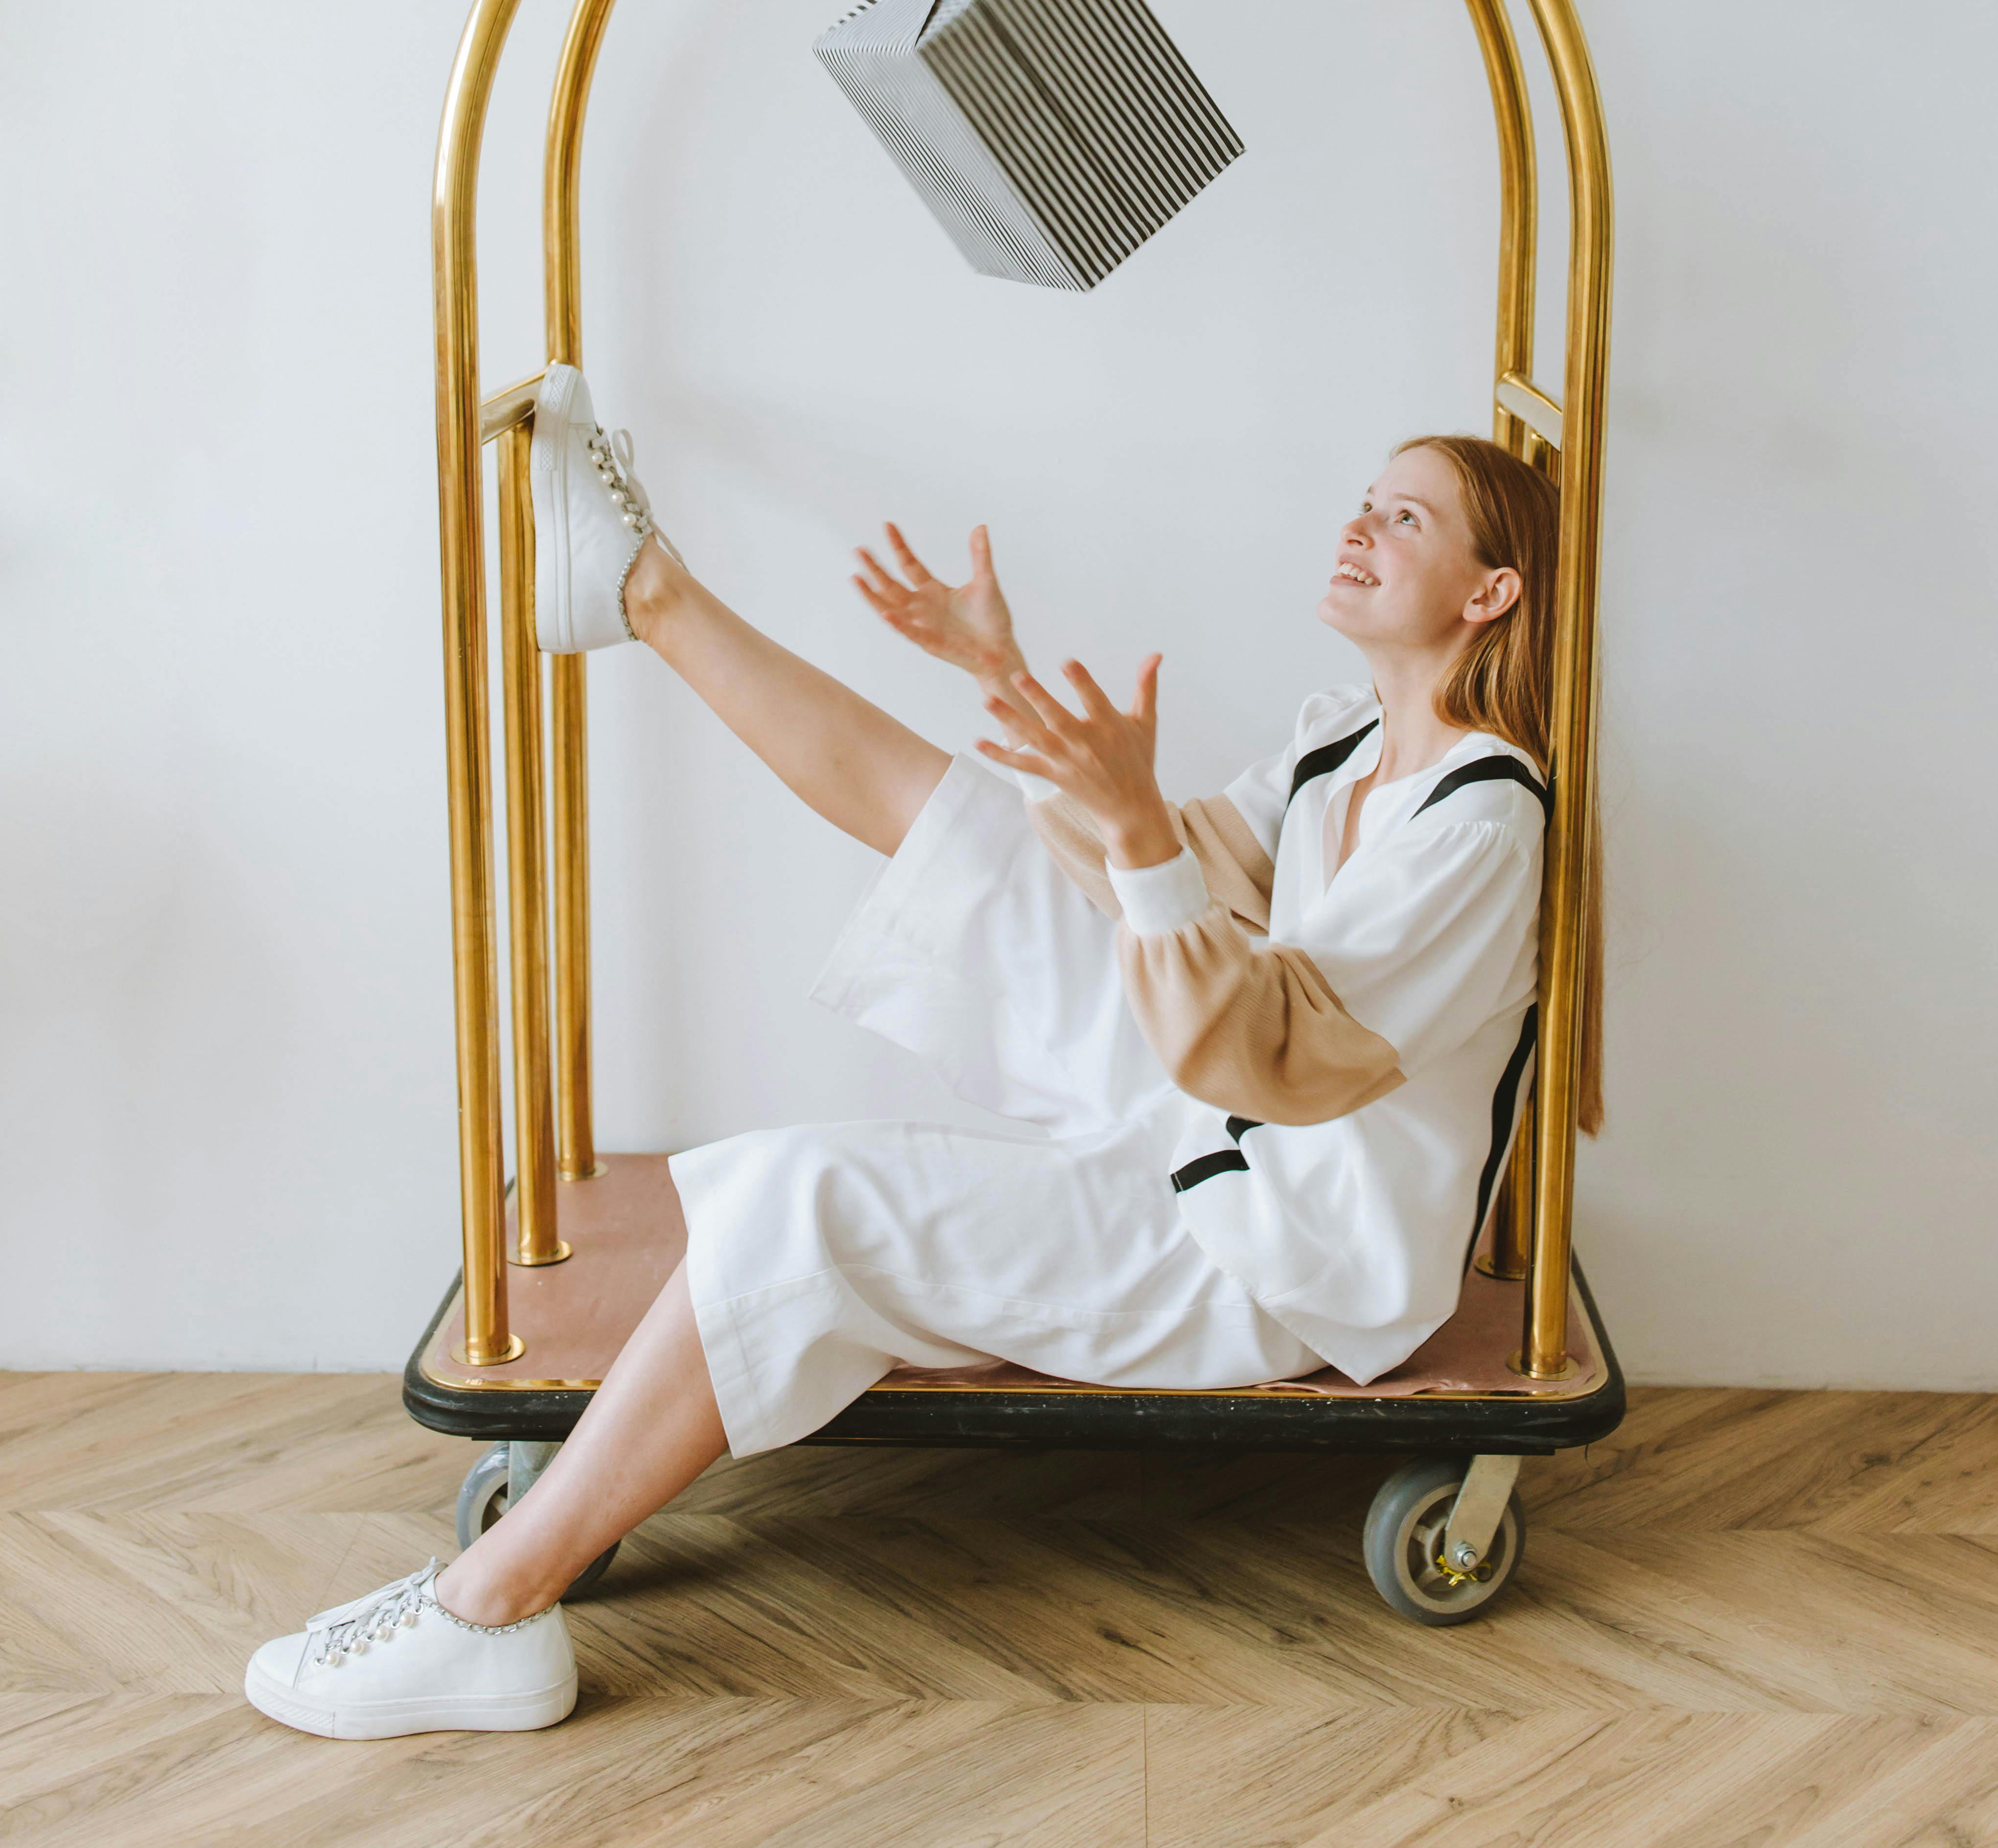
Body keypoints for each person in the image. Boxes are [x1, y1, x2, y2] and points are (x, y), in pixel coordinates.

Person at [244, 374, 1598, 1738]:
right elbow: (1168, 873)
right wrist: (998, 679)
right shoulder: (1346, 742)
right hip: (1226, 1120)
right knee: (971, 835)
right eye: (1365, 502)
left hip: (1283, 1251)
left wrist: (1137, 839)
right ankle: (642, 587)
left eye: (1405, 517)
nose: (1359, 528)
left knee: (806, 1198)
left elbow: (1276, 1047)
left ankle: (489, 1611)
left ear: (1488, 592)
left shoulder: (1479, 827)